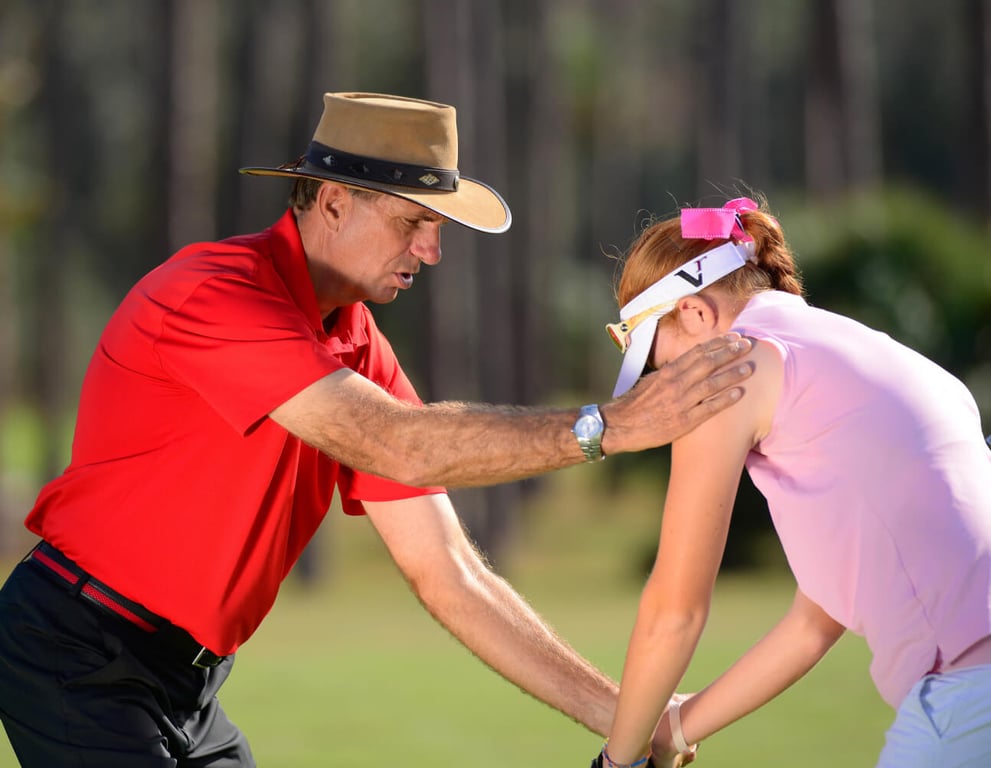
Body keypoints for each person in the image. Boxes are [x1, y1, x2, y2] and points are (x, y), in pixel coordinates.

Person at [0, 92, 754, 767]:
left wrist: (629, 716)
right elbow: (397, 441)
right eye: (412, 224)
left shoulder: (356, 342)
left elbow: (448, 573)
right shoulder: (215, 295)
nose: (430, 251)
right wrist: (610, 426)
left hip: (187, 682)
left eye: (436, 227)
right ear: (332, 202)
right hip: (75, 650)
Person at [591, 194, 991, 768]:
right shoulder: (860, 355)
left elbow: (673, 612)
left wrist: (614, 761)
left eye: (661, 361)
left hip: (967, 697)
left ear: (697, 315)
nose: (668, 386)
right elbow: (813, 622)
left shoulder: (732, 372)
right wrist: (671, 731)